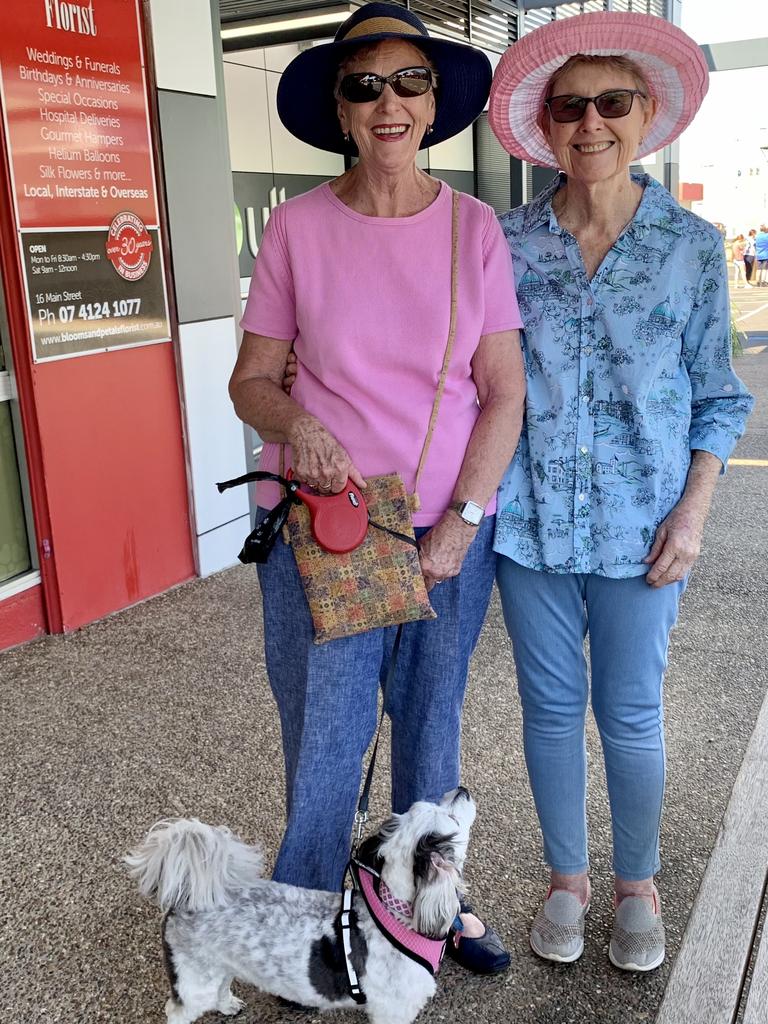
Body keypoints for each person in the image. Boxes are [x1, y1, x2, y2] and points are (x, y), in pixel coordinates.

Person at [229, 2, 525, 975]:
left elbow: (503, 392)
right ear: (342, 111)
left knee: (432, 728)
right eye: (364, 86)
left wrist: (462, 526)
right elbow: (252, 379)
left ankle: (429, 904)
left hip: (445, 527)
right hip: (330, 531)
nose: (388, 102)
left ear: (435, 104)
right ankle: (306, 918)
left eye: (409, 82)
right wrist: (295, 425)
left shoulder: (475, 229)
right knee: (327, 735)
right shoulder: (298, 230)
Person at [488, 11, 754, 972]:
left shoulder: (691, 247)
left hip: (646, 529)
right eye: (570, 107)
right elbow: (480, 381)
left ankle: (636, 883)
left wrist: (695, 510)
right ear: (546, 127)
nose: (590, 123)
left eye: (613, 103)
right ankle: (567, 879)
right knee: (550, 711)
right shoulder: (505, 244)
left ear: (647, 116)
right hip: (529, 529)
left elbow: (720, 397)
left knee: (632, 714)